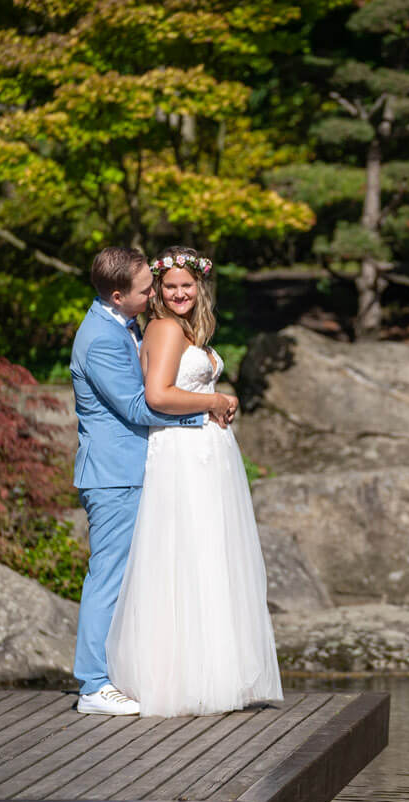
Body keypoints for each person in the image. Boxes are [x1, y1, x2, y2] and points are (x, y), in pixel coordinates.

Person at [104, 245, 284, 718]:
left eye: (188, 285)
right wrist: (213, 401)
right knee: (185, 556)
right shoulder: (164, 328)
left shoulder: (187, 330)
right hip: (183, 456)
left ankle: (213, 673)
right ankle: (180, 678)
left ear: (199, 287)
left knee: (209, 557)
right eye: (170, 286)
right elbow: (159, 394)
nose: (180, 293)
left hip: (207, 455)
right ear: (158, 291)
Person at [70, 247, 237, 716]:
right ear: (120, 295)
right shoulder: (101, 338)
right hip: (114, 474)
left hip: (134, 468)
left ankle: (130, 674)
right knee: (108, 577)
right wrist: (206, 411)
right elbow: (139, 406)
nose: (156, 295)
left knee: (139, 577)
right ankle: (93, 685)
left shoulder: (122, 325)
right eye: (149, 290)